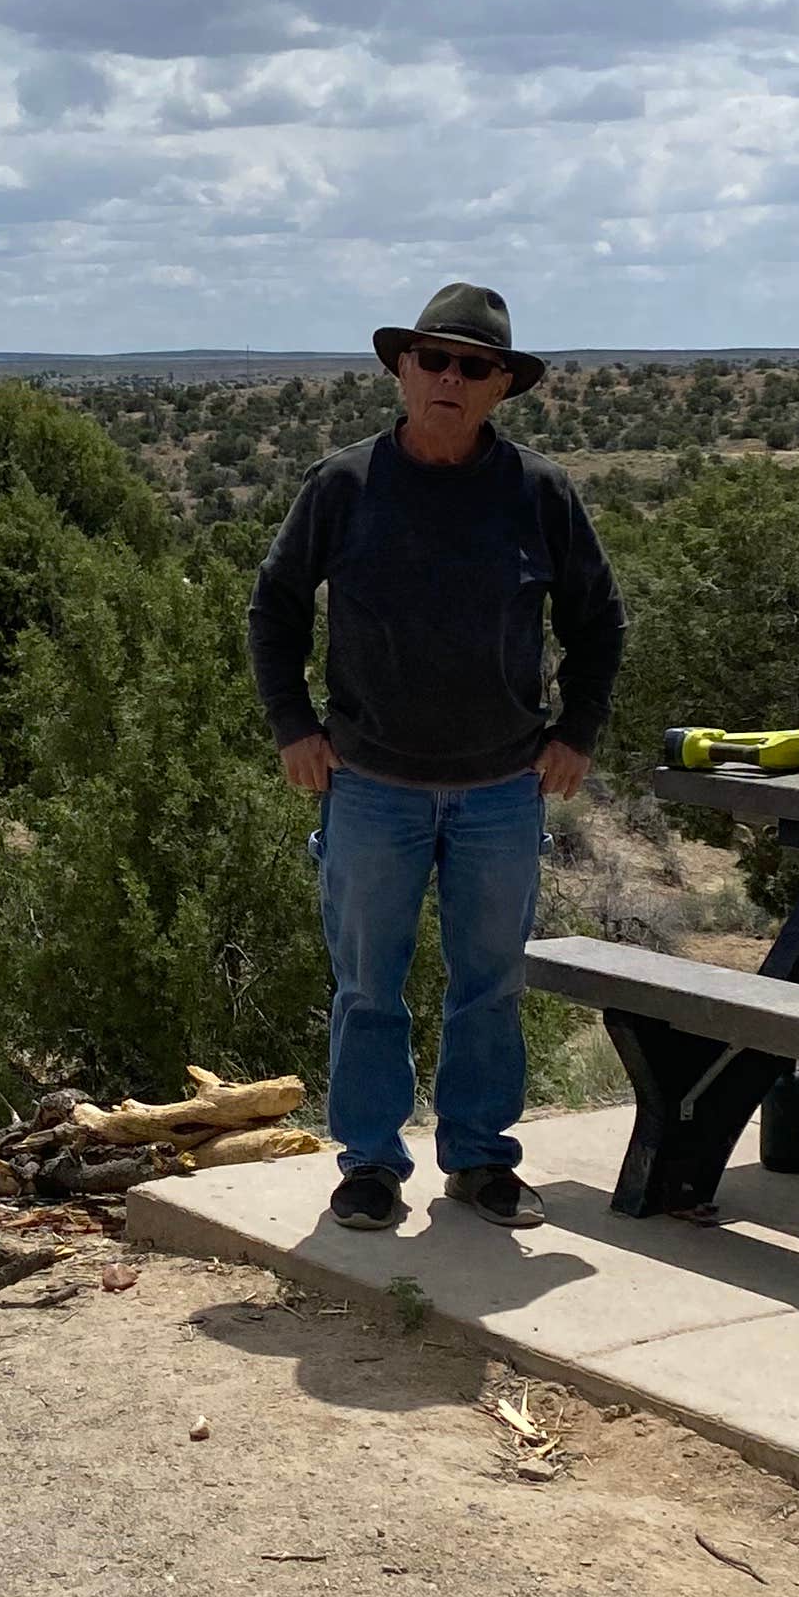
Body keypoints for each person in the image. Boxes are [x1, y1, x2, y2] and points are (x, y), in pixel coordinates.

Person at [247, 281, 624, 1232]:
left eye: (475, 365)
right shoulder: (345, 485)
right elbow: (276, 606)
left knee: (490, 984)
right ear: (402, 369)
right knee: (368, 986)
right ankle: (370, 1162)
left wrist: (577, 732)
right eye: (434, 359)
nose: (451, 377)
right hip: (370, 785)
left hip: (503, 787)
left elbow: (599, 621)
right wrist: (294, 725)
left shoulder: (538, 493)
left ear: (503, 386)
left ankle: (482, 1159)